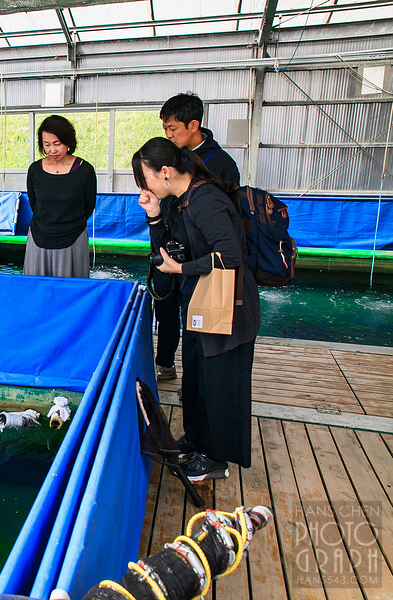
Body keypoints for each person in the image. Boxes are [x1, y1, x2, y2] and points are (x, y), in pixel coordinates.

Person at [132, 137, 259, 481]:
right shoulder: (179, 201)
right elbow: (168, 254)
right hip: (201, 302)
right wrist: (155, 216)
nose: (145, 186)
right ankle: (198, 439)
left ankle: (215, 458)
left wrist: (181, 270)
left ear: (166, 173)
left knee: (219, 384)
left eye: (146, 179)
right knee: (197, 380)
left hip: (229, 307)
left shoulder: (205, 199)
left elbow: (230, 255)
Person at [152, 93, 240, 382]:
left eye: (172, 129)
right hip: (169, 249)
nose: (168, 134)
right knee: (165, 308)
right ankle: (165, 363)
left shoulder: (221, 163)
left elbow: (227, 227)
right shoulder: (168, 156)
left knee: (197, 317)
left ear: (194, 125)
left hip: (202, 259)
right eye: (164, 128)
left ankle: (200, 375)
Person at [23, 115, 97, 278]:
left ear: (68, 141)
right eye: (47, 144)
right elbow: (34, 203)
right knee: (38, 287)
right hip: (39, 236)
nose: (52, 150)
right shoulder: (35, 170)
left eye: (57, 144)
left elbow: (89, 206)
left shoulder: (85, 171)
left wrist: (69, 223)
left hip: (73, 237)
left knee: (71, 288)